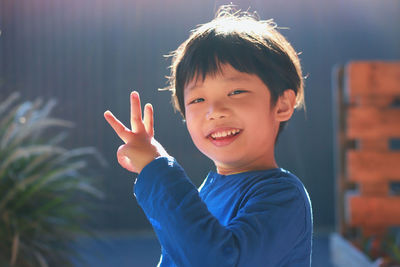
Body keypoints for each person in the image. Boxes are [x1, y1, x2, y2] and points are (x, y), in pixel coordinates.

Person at [104, 5, 313, 267]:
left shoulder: (283, 196)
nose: (215, 112)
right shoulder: (204, 193)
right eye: (198, 99)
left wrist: (157, 168)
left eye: (236, 92)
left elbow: (217, 260)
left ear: (282, 105)